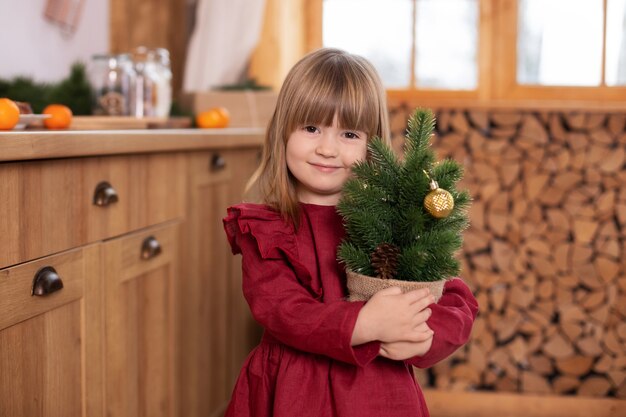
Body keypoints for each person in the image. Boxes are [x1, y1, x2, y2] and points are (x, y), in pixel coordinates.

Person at [223, 48, 478, 417]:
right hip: (294, 395)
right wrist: (365, 322)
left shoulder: (394, 223)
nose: (327, 149)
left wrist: (423, 336)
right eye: (311, 128)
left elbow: (456, 300)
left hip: (376, 395)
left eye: (348, 133)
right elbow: (282, 309)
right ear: (283, 130)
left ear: (372, 146)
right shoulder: (266, 229)